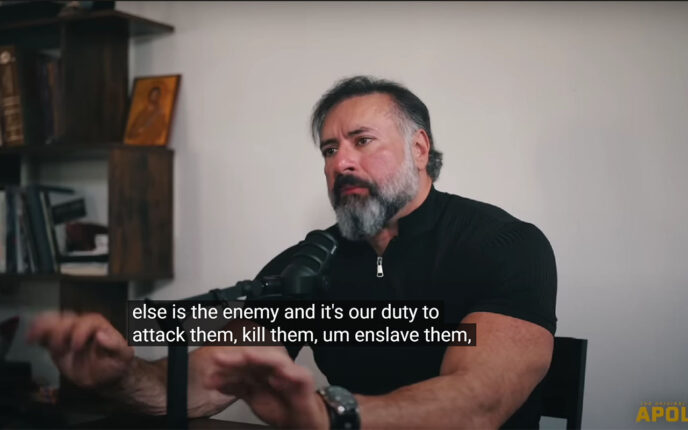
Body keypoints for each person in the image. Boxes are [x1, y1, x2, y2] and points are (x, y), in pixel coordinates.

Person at [28, 76, 557, 429]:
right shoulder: (307, 264)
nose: (340, 163)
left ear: (419, 149)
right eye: (329, 149)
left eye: (362, 141)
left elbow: (479, 402)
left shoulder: (503, 245)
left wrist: (335, 417)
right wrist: (121, 375)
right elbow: (202, 388)